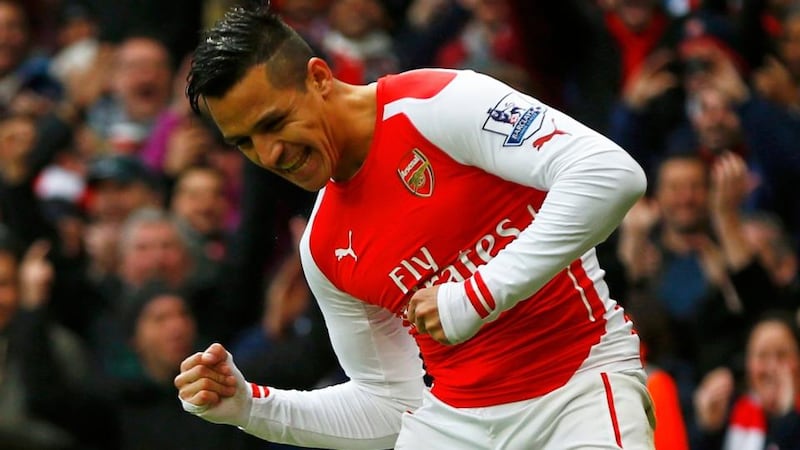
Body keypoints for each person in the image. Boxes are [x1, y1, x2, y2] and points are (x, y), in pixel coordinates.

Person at [174, 4, 653, 449]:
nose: (269, 154)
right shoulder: (323, 247)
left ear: (319, 77)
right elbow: (388, 405)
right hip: (454, 425)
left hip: (579, 392)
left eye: (276, 122)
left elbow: (610, 174)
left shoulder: (439, 104)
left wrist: (479, 294)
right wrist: (251, 406)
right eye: (245, 143)